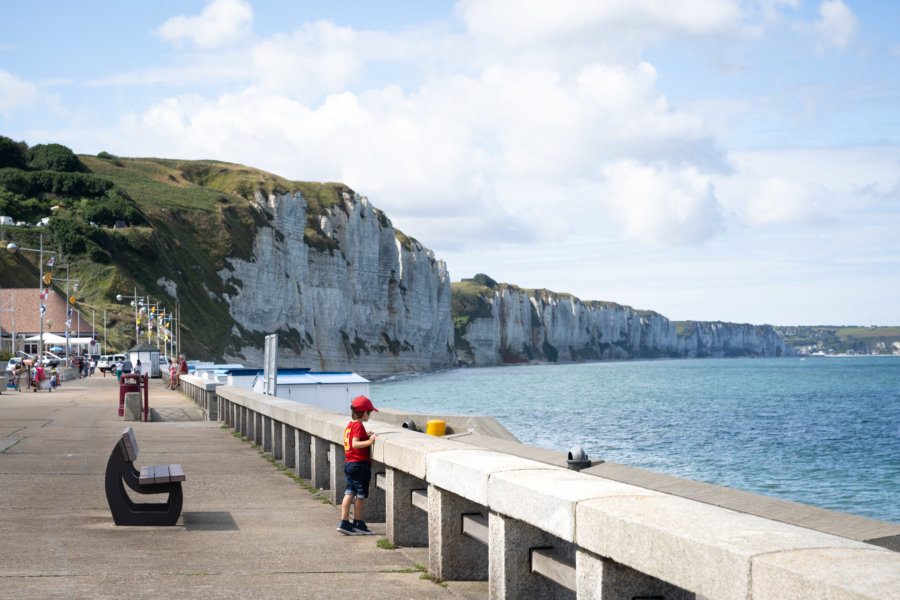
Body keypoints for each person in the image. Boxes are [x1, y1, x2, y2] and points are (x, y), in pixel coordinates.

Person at [337, 395, 378, 536]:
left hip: (349, 463)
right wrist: (370, 441)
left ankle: (344, 522)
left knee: (349, 492)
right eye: (369, 413)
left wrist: (365, 435)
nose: (370, 416)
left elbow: (352, 439)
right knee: (360, 495)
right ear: (365, 413)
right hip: (359, 465)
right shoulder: (359, 425)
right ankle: (358, 522)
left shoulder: (350, 425)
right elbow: (355, 443)